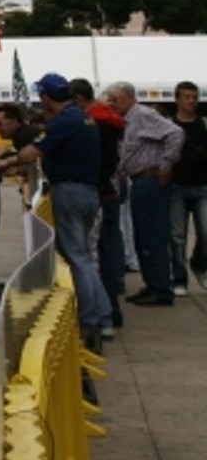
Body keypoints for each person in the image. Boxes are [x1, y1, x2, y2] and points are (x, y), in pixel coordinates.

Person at [0, 73, 111, 348]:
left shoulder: (65, 122)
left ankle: (93, 320)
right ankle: (104, 315)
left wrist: (6, 162)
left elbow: (32, 153)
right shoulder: (84, 117)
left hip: (70, 191)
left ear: (47, 97)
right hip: (87, 191)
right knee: (83, 254)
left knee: (77, 258)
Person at [105, 81, 183, 307]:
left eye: (115, 100)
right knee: (142, 235)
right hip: (138, 179)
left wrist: (166, 164)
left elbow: (175, 133)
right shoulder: (127, 119)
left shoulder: (142, 114)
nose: (112, 104)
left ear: (129, 98)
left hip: (150, 178)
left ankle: (160, 288)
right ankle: (152, 284)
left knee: (152, 235)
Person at [71, 79, 126, 335]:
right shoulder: (110, 120)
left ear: (80, 99)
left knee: (92, 256)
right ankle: (111, 307)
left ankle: (103, 314)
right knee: (109, 250)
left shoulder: (92, 122)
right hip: (110, 189)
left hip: (98, 190)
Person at [169, 80, 207, 290]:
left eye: (194, 98)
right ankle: (179, 278)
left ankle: (200, 264)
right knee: (177, 237)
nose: (191, 101)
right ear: (177, 99)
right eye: (187, 97)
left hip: (202, 186)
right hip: (177, 187)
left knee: (205, 231)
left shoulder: (203, 123)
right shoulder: (169, 124)